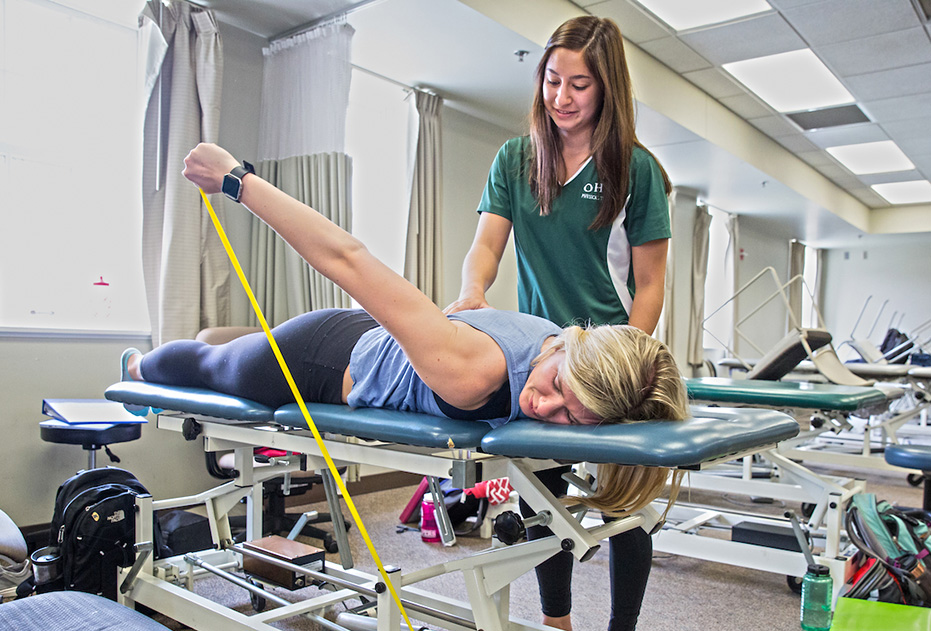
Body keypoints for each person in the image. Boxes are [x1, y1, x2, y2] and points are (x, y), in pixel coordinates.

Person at [122, 141, 688, 520]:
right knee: (211, 369)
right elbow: (345, 257)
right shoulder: (473, 373)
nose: (544, 406)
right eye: (559, 385)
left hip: (379, 340)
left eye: (572, 417)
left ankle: (213, 340)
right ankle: (139, 367)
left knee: (224, 347)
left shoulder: (560, 342)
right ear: (568, 344)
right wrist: (236, 180)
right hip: (318, 362)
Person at [445, 15, 674, 631]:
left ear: (607, 88)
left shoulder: (635, 169)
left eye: (579, 84)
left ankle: (621, 626)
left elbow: (650, 284)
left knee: (629, 507)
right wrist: (473, 292)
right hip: (541, 359)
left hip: (607, 362)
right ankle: (557, 621)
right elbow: (487, 246)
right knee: (542, 498)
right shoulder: (517, 159)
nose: (562, 98)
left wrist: (628, 362)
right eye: (552, 81)